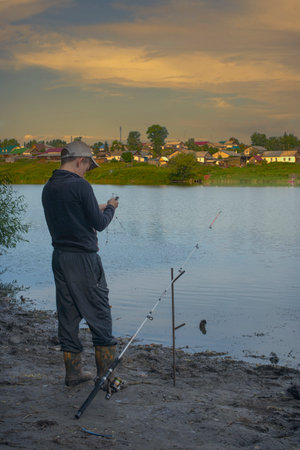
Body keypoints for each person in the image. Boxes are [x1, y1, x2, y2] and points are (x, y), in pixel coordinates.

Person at [42, 140, 119, 388]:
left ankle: (73, 374)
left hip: (60, 258)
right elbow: (99, 223)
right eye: (88, 165)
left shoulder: (50, 186)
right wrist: (111, 208)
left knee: (68, 315)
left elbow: (73, 213)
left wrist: (100, 207)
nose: (87, 170)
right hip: (84, 260)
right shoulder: (81, 185)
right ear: (79, 161)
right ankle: (105, 378)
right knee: (100, 313)